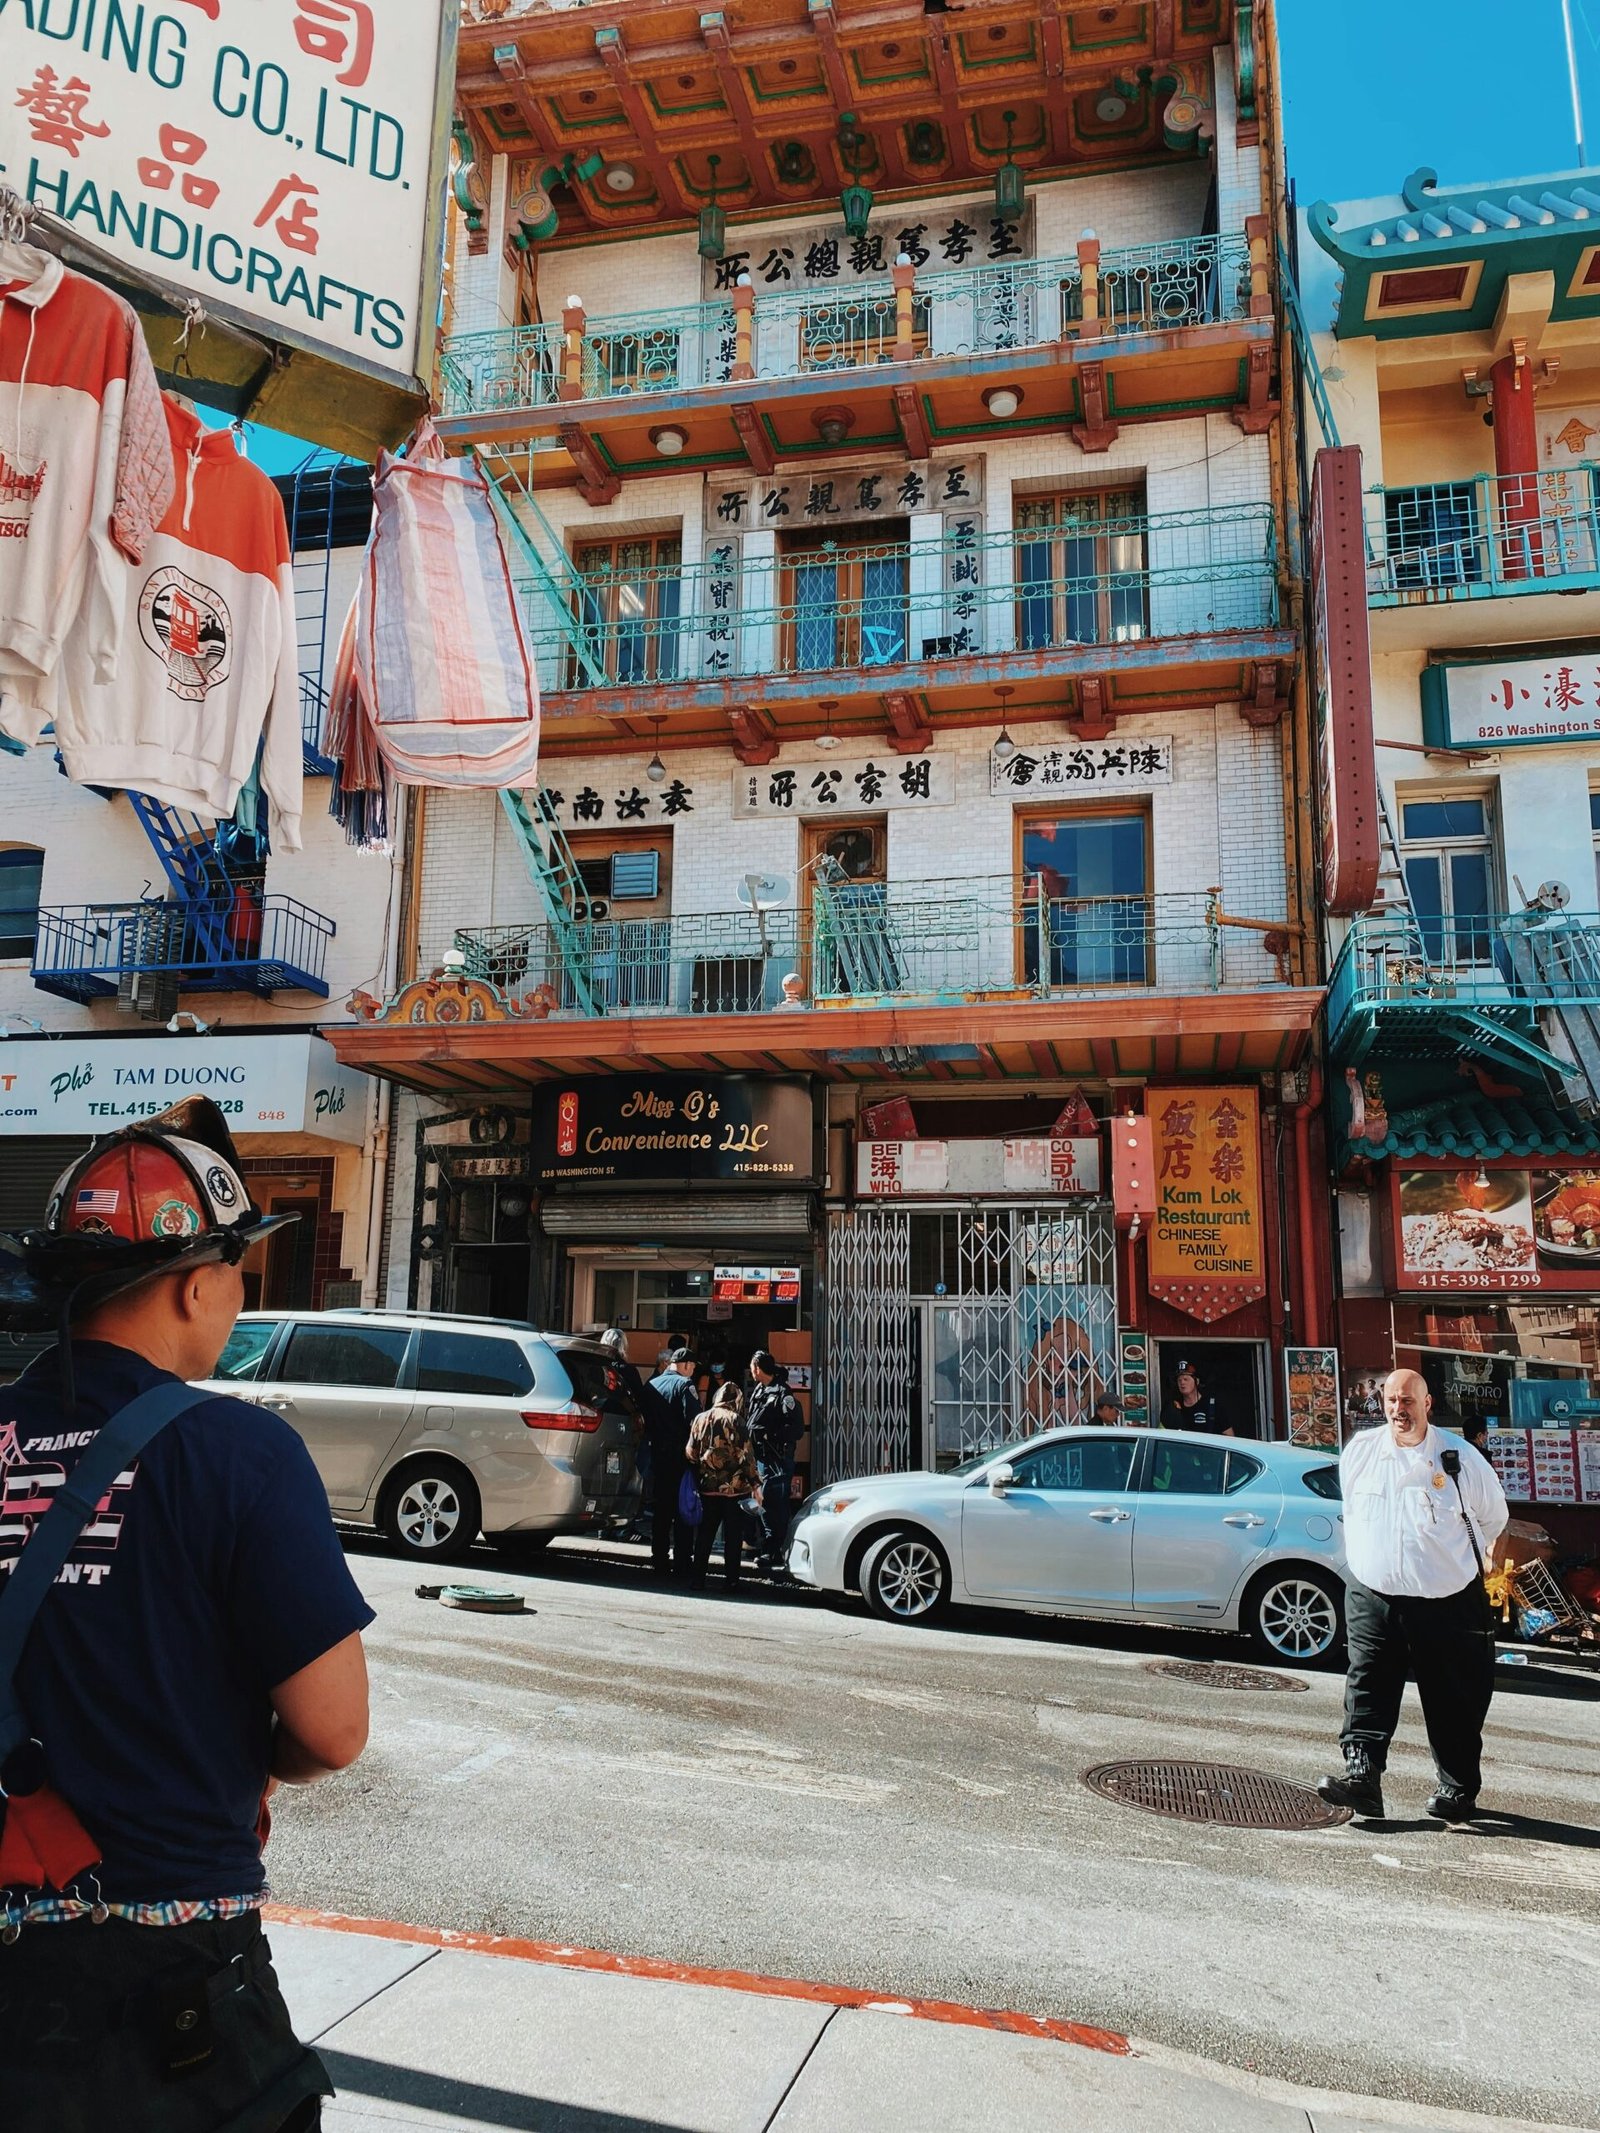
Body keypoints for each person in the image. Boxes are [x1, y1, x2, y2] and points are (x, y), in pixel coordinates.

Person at [0, 1096, 373, 2132]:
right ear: (195, 1283)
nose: (236, 1307)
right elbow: (333, 1732)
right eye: (236, 1281)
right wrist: (260, 1751)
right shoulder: (240, 1454)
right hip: (170, 1995)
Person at [1317, 1367, 1508, 1824]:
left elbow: (1493, 1519)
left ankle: (1457, 1789)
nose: (1398, 1410)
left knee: (1451, 1698)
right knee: (1365, 1685)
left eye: (1408, 1401)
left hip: (1445, 1599)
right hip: (1373, 1591)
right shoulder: (1360, 1451)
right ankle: (1362, 1778)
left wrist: (1467, 1563)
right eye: (1391, 1402)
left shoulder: (1458, 1458)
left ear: (1426, 1405)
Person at [686, 1382, 760, 1592]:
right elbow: (747, 1457)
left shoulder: (701, 1418)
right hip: (734, 1490)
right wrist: (755, 1484)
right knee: (733, 1537)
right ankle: (731, 1581)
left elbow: (690, 1452)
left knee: (705, 1535)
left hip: (707, 1487)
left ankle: (698, 1579)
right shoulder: (737, 1420)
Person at [638, 1344, 700, 1580]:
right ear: (684, 1365)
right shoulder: (685, 1385)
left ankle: (659, 1558)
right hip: (680, 1458)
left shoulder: (652, 1385)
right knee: (683, 1509)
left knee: (662, 1511)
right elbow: (694, 1423)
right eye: (692, 1366)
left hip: (657, 1455)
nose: (693, 1370)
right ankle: (682, 1561)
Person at [745, 1351, 804, 1575]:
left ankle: (775, 1549)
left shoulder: (782, 1395)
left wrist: (770, 1435)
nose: (751, 1371)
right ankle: (765, 1545)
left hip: (776, 1459)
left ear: (758, 1368)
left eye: (752, 1366)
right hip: (760, 1457)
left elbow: (796, 1429)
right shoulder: (760, 1390)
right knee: (761, 1502)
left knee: (774, 1504)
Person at [1160, 1363, 1232, 1435]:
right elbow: (1163, 1434)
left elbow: (1229, 1436)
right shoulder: (1172, 1407)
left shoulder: (1212, 1406)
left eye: (1186, 1379)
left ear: (1196, 1381)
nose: (1182, 1382)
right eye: (1179, 1380)